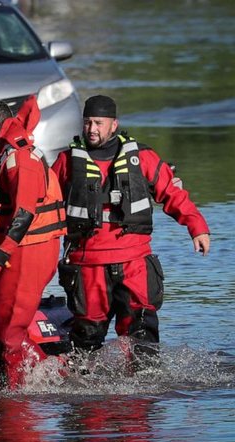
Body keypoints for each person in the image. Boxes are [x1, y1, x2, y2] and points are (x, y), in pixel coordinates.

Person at [51, 95, 210, 359]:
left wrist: (197, 227)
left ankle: (144, 396)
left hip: (134, 262)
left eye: (99, 123)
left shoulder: (143, 157)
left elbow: (172, 194)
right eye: (88, 122)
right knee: (86, 342)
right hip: (88, 265)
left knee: (143, 338)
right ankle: (86, 396)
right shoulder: (66, 162)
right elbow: (43, 206)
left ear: (114, 124)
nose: (92, 129)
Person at [0, 96, 66, 388]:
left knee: (7, 336)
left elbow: (24, 215)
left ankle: (14, 403)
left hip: (27, 252)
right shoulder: (7, 156)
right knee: (5, 332)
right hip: (19, 251)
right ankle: (54, 379)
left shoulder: (19, 159)